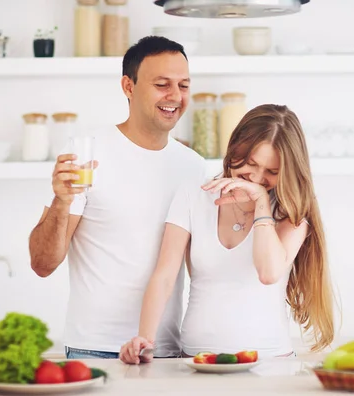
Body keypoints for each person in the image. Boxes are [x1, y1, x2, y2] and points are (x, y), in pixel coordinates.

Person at [28, 36, 205, 359]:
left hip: (165, 350)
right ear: (128, 86)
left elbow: (202, 268)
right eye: (162, 84)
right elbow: (42, 264)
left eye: (183, 85)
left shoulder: (193, 166)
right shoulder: (86, 155)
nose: (175, 96)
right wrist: (61, 201)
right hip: (95, 349)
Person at [119, 104, 335, 364]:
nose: (256, 177)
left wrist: (261, 204)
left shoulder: (293, 211)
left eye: (271, 172)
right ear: (235, 149)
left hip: (270, 361)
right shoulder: (193, 195)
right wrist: (145, 339)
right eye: (251, 163)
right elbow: (164, 275)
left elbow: (268, 273)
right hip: (195, 360)